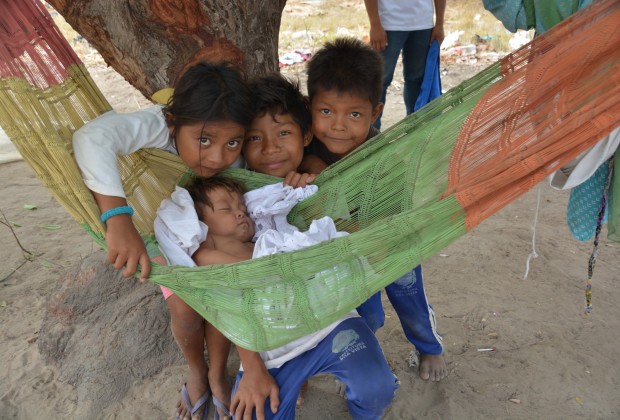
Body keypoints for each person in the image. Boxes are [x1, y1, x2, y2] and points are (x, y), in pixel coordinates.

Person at [72, 61, 254, 420]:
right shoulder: (159, 124)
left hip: (215, 234)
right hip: (165, 233)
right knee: (186, 311)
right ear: (173, 124)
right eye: (204, 140)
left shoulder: (233, 152)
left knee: (221, 295)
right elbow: (91, 138)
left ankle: (217, 372)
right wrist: (117, 218)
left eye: (233, 142)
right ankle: (197, 371)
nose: (219, 157)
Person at [171, 175, 399, 419]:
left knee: (377, 390)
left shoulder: (266, 238)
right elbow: (247, 276)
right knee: (256, 412)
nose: (240, 214)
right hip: (275, 350)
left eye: (243, 208)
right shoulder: (205, 255)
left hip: (328, 323)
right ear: (201, 224)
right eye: (226, 209)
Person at [302, 37, 448, 382]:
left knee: (410, 299)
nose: (338, 125)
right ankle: (361, 361)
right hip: (347, 253)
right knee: (363, 314)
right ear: (310, 108)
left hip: (392, 244)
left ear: (376, 112)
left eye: (354, 114)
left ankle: (429, 347)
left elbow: (402, 207)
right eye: (326, 112)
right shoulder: (307, 149)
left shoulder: (383, 157)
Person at [364, 0, 446, 129]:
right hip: (389, 23)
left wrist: (440, 24)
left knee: (416, 79)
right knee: (379, 81)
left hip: (423, 23)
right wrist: (375, 24)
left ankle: (414, 130)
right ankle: (371, 135)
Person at [243, 73, 317, 188]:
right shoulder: (234, 193)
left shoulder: (320, 183)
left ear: (306, 136)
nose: (270, 149)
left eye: (283, 133)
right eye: (254, 138)